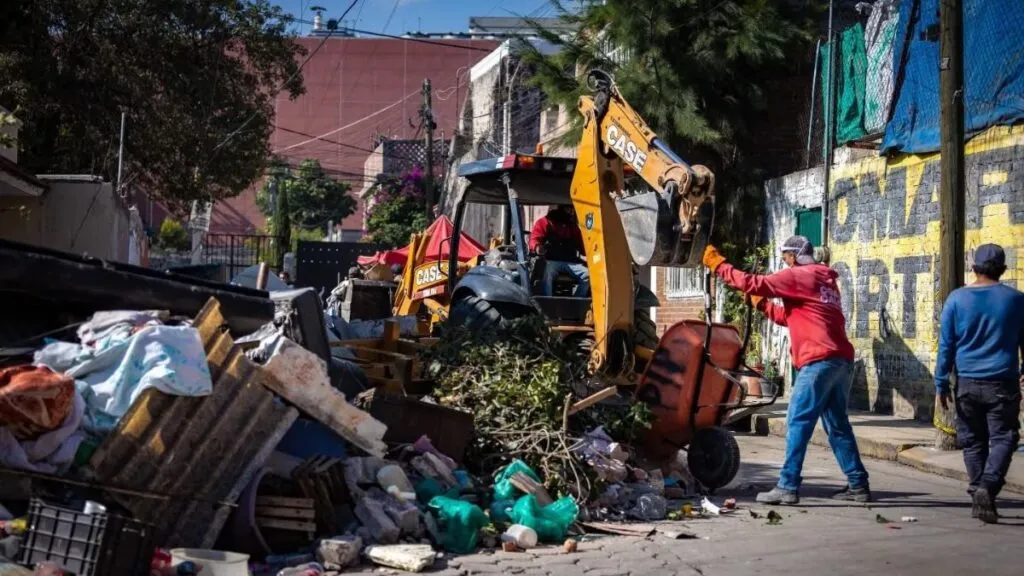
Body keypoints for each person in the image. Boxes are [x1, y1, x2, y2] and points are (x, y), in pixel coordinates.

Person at [703, 235, 870, 505]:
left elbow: (753, 283)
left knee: (797, 421)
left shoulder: (799, 275)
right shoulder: (824, 280)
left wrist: (717, 264)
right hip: (839, 360)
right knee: (837, 426)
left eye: (784, 257)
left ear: (792, 256)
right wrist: (761, 305)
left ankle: (788, 485)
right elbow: (792, 317)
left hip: (818, 360)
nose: (784, 262)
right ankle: (858, 484)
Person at [934, 243, 1024, 524]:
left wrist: (940, 383)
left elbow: (946, 345)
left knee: (973, 442)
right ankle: (986, 487)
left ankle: (979, 492)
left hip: (967, 383)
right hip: (1003, 382)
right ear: (1004, 270)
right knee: (1004, 438)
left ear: (973, 268)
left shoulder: (956, 300)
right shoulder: (1016, 300)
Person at [529, 205, 590, 297]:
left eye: (572, 209)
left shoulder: (572, 226)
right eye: (568, 209)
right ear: (561, 209)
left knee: (588, 275)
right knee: (547, 273)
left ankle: (576, 303)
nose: (571, 212)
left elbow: (582, 244)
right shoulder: (546, 222)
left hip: (570, 261)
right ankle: (547, 302)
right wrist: (538, 247)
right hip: (551, 260)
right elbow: (534, 239)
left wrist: (590, 254)